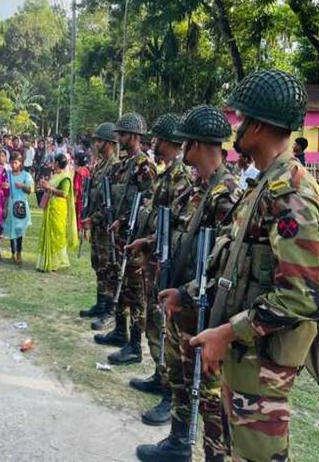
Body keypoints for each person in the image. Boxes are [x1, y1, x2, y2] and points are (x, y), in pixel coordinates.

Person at [187, 69, 319, 462]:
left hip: (263, 361)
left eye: (242, 118)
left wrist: (228, 332)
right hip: (246, 355)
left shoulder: (292, 192)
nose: (237, 126)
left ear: (259, 127)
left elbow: (300, 296)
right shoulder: (265, 184)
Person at [137, 105, 240, 462]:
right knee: (180, 376)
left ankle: (214, 455)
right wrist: (149, 243)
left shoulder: (227, 194)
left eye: (186, 143)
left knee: (208, 392)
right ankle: (179, 443)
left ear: (196, 145)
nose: (182, 149)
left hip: (204, 309)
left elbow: (228, 262)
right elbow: (180, 234)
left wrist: (187, 293)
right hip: (180, 302)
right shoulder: (196, 189)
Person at [121, 114, 194, 424]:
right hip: (154, 259)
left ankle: (169, 392)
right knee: (154, 321)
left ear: (169, 141)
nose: (154, 143)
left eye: (158, 139)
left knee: (164, 327)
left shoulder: (182, 178)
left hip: (169, 263)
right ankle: (159, 375)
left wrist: (149, 241)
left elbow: (177, 225)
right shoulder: (166, 175)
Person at [94, 113, 157, 366]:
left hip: (134, 238)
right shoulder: (122, 165)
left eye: (122, 134)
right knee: (116, 282)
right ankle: (120, 331)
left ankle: (135, 345)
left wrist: (125, 220)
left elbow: (149, 201)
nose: (118, 138)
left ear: (134, 136)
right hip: (117, 237)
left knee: (134, 291)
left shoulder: (144, 166)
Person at [82, 123, 120, 327]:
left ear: (109, 143)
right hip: (97, 226)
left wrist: (94, 219)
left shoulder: (114, 166)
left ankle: (109, 310)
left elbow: (110, 202)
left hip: (106, 227)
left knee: (108, 268)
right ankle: (100, 304)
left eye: (100, 141)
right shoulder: (99, 166)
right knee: (97, 264)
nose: (96, 144)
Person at [36, 153, 79, 272]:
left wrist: (49, 188)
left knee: (58, 233)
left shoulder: (65, 178)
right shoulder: (55, 176)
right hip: (51, 207)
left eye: (54, 162)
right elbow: (51, 189)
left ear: (57, 163)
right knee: (49, 233)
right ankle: (48, 259)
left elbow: (64, 193)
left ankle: (56, 261)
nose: (52, 164)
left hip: (58, 209)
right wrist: (45, 186)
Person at [2, 152, 34, 264]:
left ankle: (19, 252)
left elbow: (30, 190)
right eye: (11, 162)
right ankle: (13, 252)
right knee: (11, 229)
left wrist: (23, 186)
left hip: (21, 204)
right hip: (10, 204)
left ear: (20, 163)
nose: (13, 165)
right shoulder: (7, 175)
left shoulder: (26, 175)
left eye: (15, 162)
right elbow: (4, 190)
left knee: (19, 230)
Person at [73, 152, 91, 224]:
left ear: (77, 160)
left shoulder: (78, 172)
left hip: (79, 198)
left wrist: (74, 200)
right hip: (85, 197)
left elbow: (76, 187)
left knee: (77, 219)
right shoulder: (87, 171)